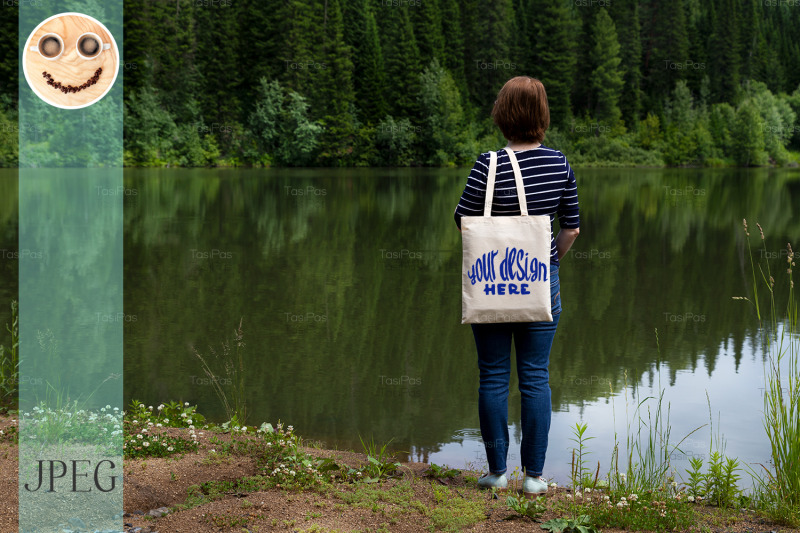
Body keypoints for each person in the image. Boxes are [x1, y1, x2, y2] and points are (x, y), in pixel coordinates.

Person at [454, 76, 580, 498]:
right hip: (541, 281)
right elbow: (573, 228)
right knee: (535, 377)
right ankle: (534, 477)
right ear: (542, 116)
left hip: (490, 282)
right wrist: (548, 259)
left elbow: (463, 221)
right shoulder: (559, 163)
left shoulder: (485, 164)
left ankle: (496, 472)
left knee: (491, 376)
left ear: (502, 114)